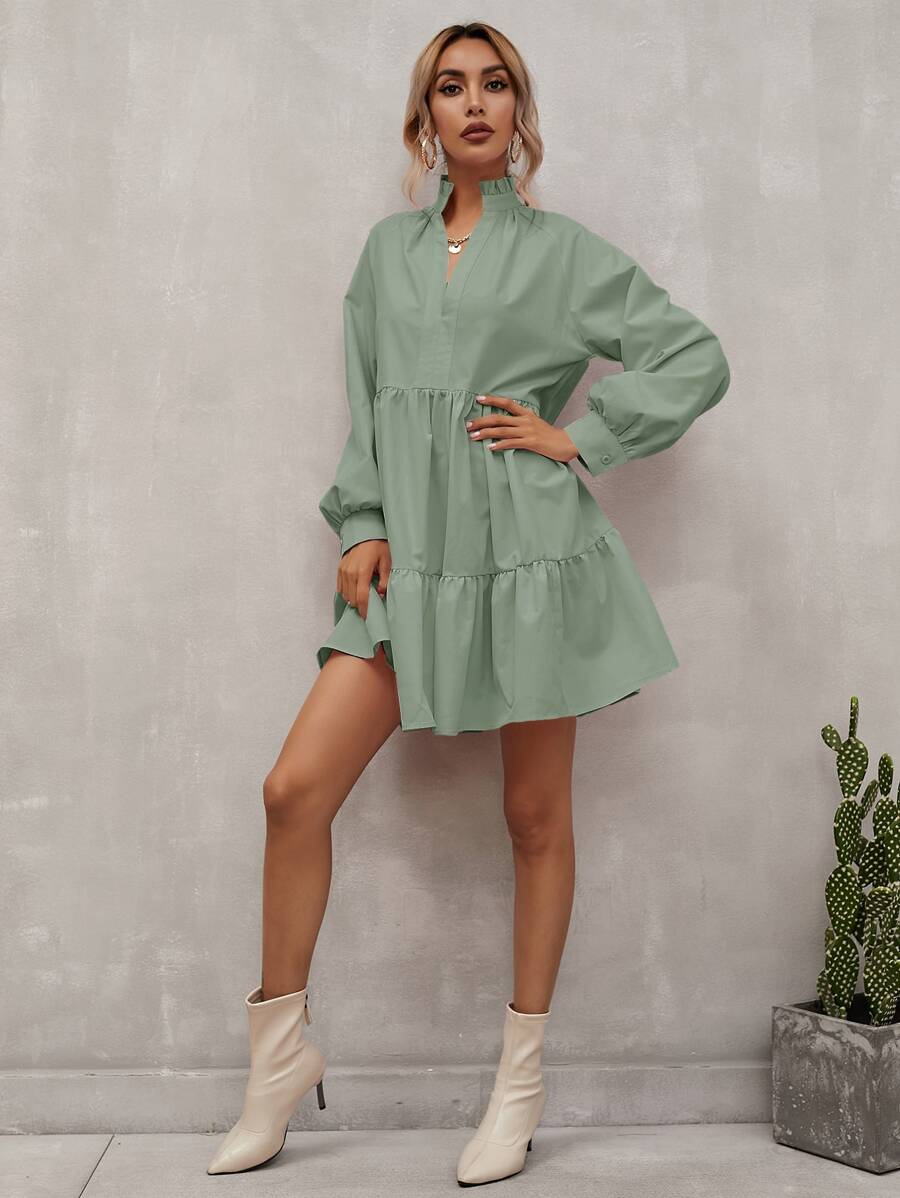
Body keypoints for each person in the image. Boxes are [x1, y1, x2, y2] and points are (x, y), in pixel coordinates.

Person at [207, 20, 730, 1187]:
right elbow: (369, 405)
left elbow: (694, 356)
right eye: (452, 87)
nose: (475, 103)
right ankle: (278, 1062)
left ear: (518, 114)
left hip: (530, 561)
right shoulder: (384, 255)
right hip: (407, 570)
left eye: (496, 85)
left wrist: (583, 436)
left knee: (535, 819)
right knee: (293, 791)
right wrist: (363, 520)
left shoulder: (564, 255)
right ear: (426, 119)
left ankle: (519, 1083)